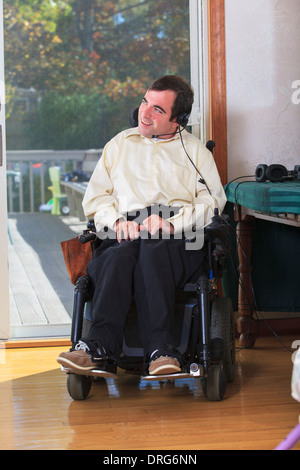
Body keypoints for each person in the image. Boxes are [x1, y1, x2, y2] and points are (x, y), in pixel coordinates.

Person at [57, 75, 226, 376]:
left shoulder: (195, 151)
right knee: (118, 255)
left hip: (176, 236)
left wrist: (171, 224)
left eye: (158, 109)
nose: (144, 113)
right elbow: (96, 198)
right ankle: (97, 347)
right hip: (124, 231)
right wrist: (117, 221)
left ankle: (161, 352)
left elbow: (212, 203)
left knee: (153, 249)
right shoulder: (119, 145)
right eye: (145, 102)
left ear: (179, 120)